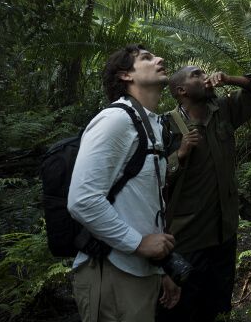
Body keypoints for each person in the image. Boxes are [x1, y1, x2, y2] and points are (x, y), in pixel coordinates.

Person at [68, 45, 182, 321]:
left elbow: (141, 204)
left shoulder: (151, 125)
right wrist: (138, 244)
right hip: (112, 271)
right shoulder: (116, 120)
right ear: (125, 75)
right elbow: (82, 200)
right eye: (146, 58)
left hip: (140, 270)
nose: (160, 59)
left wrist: (160, 268)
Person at [158, 66, 251, 322]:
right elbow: (152, 179)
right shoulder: (165, 126)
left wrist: (230, 79)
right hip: (187, 239)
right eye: (196, 75)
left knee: (219, 307)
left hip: (224, 234)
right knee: (182, 311)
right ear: (181, 90)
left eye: (204, 73)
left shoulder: (224, 111)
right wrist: (180, 155)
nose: (205, 77)